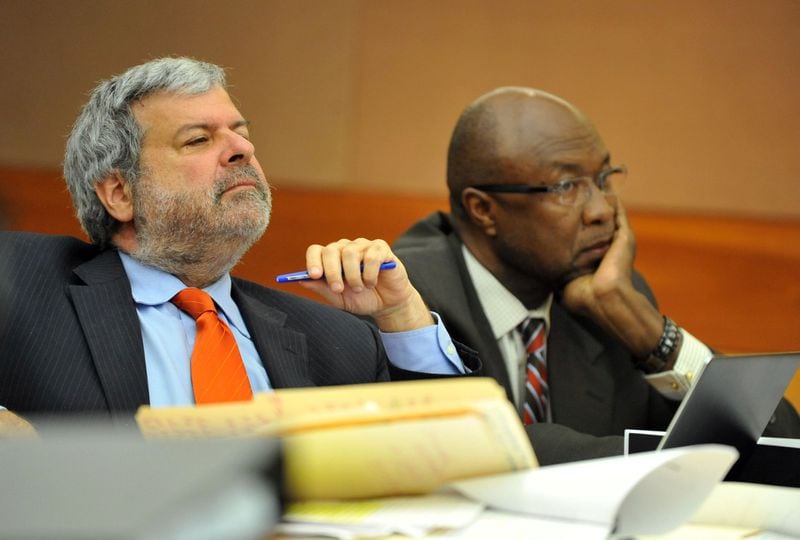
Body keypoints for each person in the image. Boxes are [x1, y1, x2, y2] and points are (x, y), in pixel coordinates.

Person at [0, 57, 479, 429]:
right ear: (121, 194)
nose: (241, 149)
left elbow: (444, 467)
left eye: (241, 134)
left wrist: (400, 319)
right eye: (197, 140)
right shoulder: (20, 283)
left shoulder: (337, 341)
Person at [393, 87, 800, 453]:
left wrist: (652, 335)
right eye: (566, 187)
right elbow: (478, 454)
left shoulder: (608, 299)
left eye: (604, 178)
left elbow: (782, 440)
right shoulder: (406, 302)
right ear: (483, 209)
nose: (602, 209)